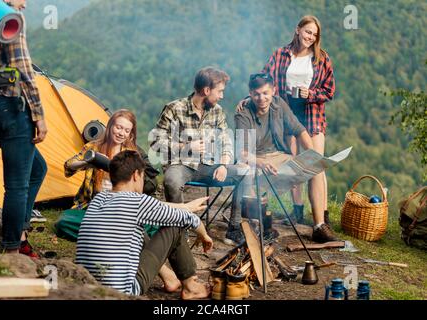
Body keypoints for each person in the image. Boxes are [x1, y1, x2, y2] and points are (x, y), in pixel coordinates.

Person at [75, 150, 213, 299]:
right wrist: (204, 235)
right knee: (176, 226)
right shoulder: (137, 201)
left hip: (88, 286)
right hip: (122, 292)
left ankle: (170, 278)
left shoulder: (98, 199)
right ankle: (191, 287)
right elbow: (189, 219)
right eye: (143, 176)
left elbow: (159, 207)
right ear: (136, 175)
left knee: (138, 232)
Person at [239, 16, 335, 225]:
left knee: (315, 163)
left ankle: (322, 218)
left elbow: (329, 91)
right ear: (298, 30)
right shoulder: (281, 54)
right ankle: (297, 211)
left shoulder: (322, 58)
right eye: (308, 31)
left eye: (314, 34)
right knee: (292, 162)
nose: (310, 37)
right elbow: (263, 80)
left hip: (312, 114)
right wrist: (248, 98)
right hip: (286, 112)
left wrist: (309, 94)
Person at [0, 0, 47, 257]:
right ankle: (11, 250)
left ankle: (19, 232)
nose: (25, 5)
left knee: (38, 169)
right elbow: (25, 70)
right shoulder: (9, 18)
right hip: (12, 107)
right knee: (17, 185)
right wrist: (39, 115)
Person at [233, 73, 338, 243]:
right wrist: (261, 162)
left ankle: (319, 226)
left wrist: (312, 154)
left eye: (266, 93)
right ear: (250, 94)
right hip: (255, 158)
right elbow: (242, 153)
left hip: (279, 156)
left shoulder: (279, 105)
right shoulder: (243, 114)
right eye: (257, 94)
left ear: (273, 91)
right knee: (249, 176)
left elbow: (300, 130)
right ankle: (254, 227)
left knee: (316, 167)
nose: (262, 98)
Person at [150, 67, 247, 245]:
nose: (222, 96)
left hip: (208, 166)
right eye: (220, 91)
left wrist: (224, 164)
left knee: (244, 172)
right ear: (206, 90)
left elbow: (226, 140)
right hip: (181, 164)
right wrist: (186, 146)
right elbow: (155, 142)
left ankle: (233, 228)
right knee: (171, 181)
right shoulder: (174, 108)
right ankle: (179, 231)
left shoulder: (217, 111)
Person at [63, 109, 158, 210]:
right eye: (119, 128)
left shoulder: (131, 154)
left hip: (121, 203)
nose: (121, 133)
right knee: (65, 221)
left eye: (127, 131)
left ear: (130, 134)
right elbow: (68, 167)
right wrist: (87, 163)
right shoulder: (94, 147)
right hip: (92, 203)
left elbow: (137, 185)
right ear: (110, 126)